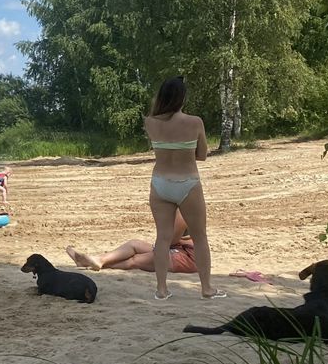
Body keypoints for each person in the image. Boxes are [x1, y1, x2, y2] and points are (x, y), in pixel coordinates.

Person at [144, 76, 221, 300]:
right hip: (187, 181)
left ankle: (161, 289)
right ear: (182, 97)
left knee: (163, 238)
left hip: (160, 183)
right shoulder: (195, 122)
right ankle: (206, 288)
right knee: (200, 237)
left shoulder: (150, 122)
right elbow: (203, 155)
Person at [65, 209, 197, 274]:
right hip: (178, 249)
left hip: (189, 258)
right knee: (134, 244)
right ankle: (99, 260)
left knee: (135, 260)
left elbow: (171, 239)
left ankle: (95, 264)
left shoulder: (183, 210)